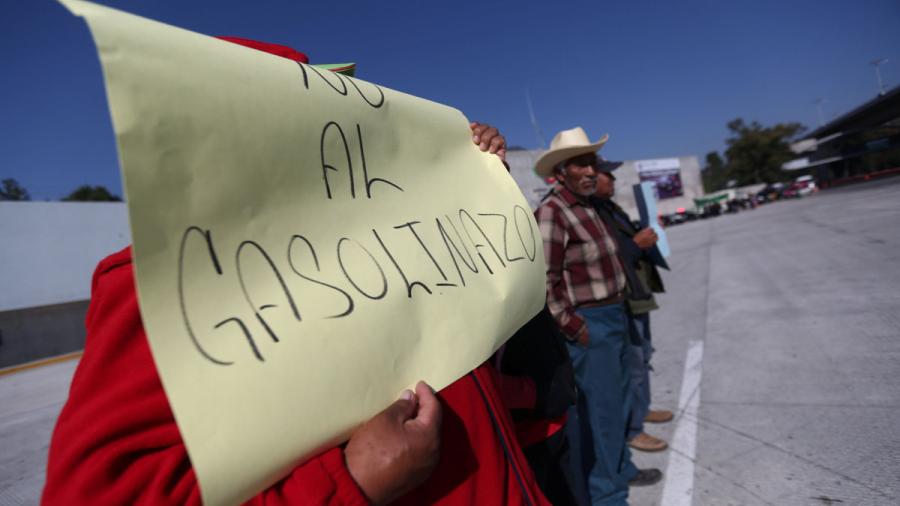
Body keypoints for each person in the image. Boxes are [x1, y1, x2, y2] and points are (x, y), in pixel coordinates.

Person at [42, 38, 549, 506]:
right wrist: (352, 482)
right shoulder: (161, 280)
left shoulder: (391, 235)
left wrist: (472, 176)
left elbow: (439, 378)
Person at [533, 127, 659, 506]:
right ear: (562, 172)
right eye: (582, 164)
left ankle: (619, 471)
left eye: (593, 162)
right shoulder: (553, 212)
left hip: (613, 316)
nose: (591, 170)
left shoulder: (590, 208)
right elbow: (543, 280)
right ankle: (608, 497)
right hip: (591, 325)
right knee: (602, 418)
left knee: (617, 408)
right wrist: (575, 328)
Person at [590, 160, 673, 455]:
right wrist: (637, 243)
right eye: (606, 174)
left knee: (644, 357)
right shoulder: (594, 213)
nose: (612, 179)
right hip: (622, 299)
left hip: (638, 294)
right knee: (633, 364)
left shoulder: (611, 209)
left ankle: (643, 409)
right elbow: (604, 257)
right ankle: (633, 429)